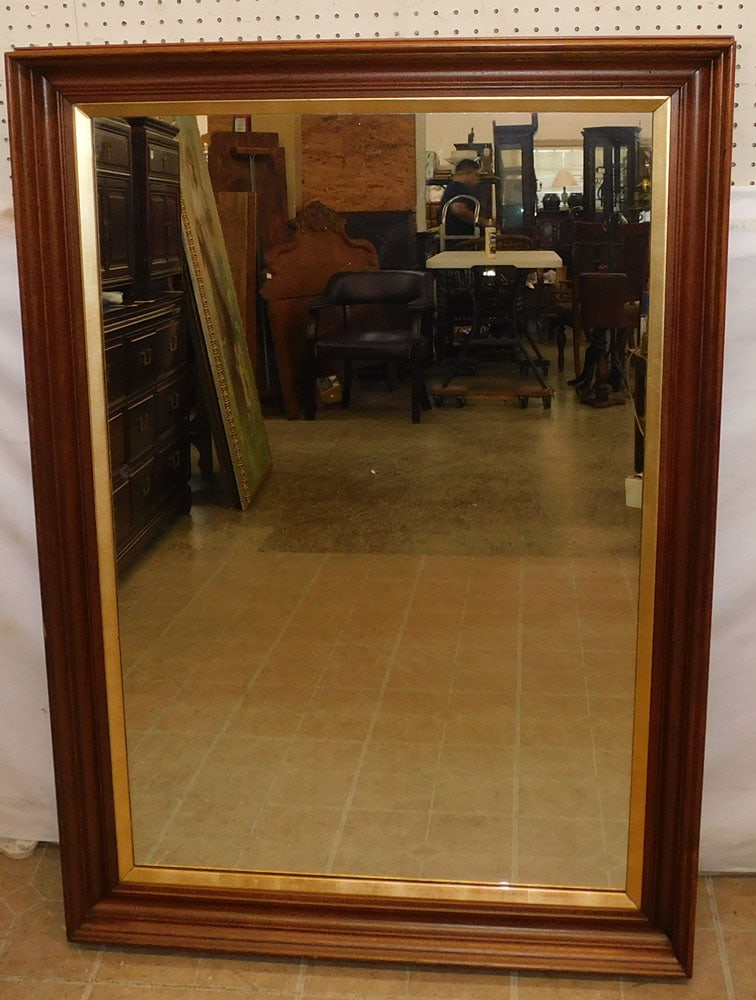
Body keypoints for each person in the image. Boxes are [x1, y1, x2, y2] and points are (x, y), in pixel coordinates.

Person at [439, 159, 494, 240]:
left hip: (452, 240)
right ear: (466, 173)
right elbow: (457, 209)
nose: (478, 180)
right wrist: (483, 222)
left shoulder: (451, 188)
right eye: (476, 175)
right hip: (462, 241)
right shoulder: (460, 187)